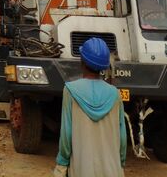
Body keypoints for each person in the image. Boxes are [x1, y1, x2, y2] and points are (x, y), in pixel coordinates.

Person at [54, 36, 127, 177]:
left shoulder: (70, 91)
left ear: (82, 61)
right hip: (112, 170)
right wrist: (121, 162)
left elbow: (66, 134)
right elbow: (122, 137)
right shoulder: (115, 94)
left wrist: (62, 162)